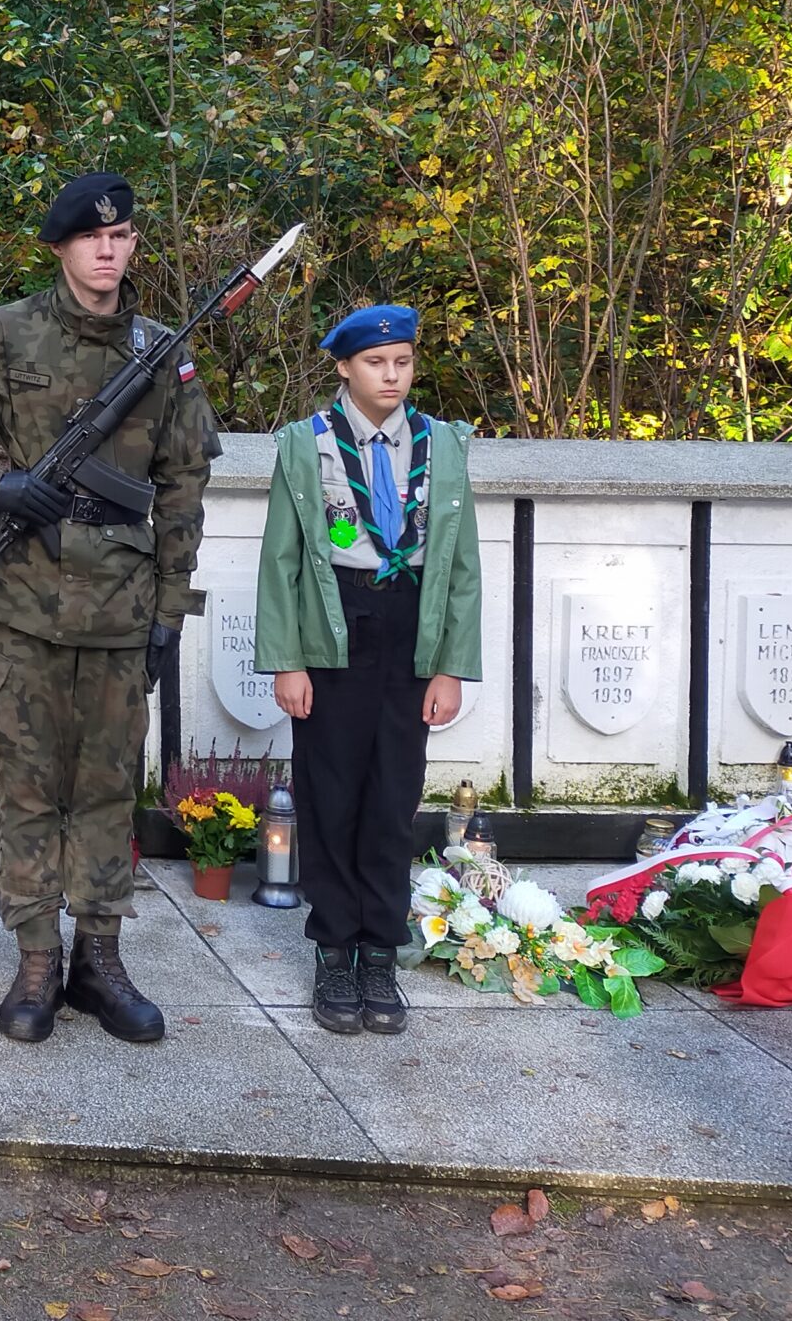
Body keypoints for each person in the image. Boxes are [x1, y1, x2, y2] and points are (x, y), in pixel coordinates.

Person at [0, 172, 216, 1044]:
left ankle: (99, 961)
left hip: (120, 606)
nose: (110, 251)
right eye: (92, 239)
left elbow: (183, 487)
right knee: (28, 788)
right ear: (63, 247)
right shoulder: (6, 333)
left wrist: (171, 606)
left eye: (124, 237)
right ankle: (36, 960)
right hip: (27, 600)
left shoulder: (164, 352)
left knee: (107, 788)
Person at [253, 304, 481, 1036]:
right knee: (332, 792)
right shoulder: (305, 444)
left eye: (404, 361)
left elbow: (464, 566)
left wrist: (449, 667)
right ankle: (333, 952)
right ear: (345, 368)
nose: (392, 375)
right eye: (377, 363)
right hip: (336, 621)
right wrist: (288, 660)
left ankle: (379, 951)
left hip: (409, 626)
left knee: (392, 798)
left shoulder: (441, 444)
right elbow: (281, 561)